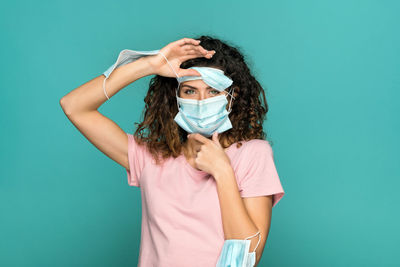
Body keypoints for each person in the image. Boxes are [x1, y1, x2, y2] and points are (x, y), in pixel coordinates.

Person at [60, 35, 285, 267]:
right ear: (176, 97)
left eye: (213, 91)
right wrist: (150, 65)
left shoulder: (253, 154)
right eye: (189, 91)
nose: (200, 101)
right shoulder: (149, 157)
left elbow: (249, 256)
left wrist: (222, 171)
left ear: (231, 96)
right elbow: (74, 106)